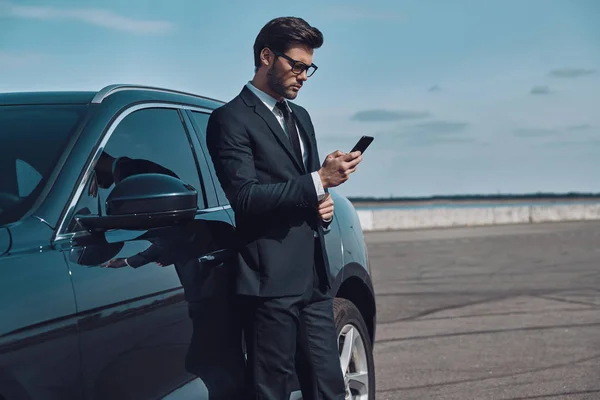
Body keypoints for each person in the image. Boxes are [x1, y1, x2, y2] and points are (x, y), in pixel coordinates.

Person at [205, 16, 362, 400]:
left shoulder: (300, 117)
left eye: (309, 67)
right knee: (271, 388)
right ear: (266, 57)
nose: (304, 75)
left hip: (313, 277)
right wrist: (318, 180)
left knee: (329, 386)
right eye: (296, 65)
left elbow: (297, 187)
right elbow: (245, 198)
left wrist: (320, 204)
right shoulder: (231, 119)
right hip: (269, 282)